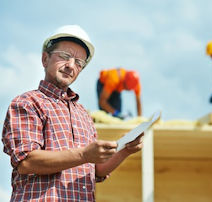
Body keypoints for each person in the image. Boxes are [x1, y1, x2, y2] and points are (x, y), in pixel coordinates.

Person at [2, 25, 144, 201]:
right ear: (45, 59)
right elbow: (27, 162)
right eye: (64, 56)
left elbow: (96, 170)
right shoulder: (27, 103)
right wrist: (83, 154)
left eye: (79, 63)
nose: (71, 65)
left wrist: (124, 150)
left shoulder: (83, 114)